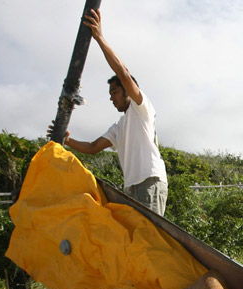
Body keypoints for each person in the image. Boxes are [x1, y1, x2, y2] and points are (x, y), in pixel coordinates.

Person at [48, 9, 168, 216]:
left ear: (127, 91)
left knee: (148, 241)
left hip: (149, 182)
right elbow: (94, 147)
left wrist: (99, 38)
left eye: (114, 92)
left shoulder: (142, 108)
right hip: (130, 189)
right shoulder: (119, 127)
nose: (111, 97)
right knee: (133, 240)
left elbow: (123, 72)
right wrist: (68, 141)